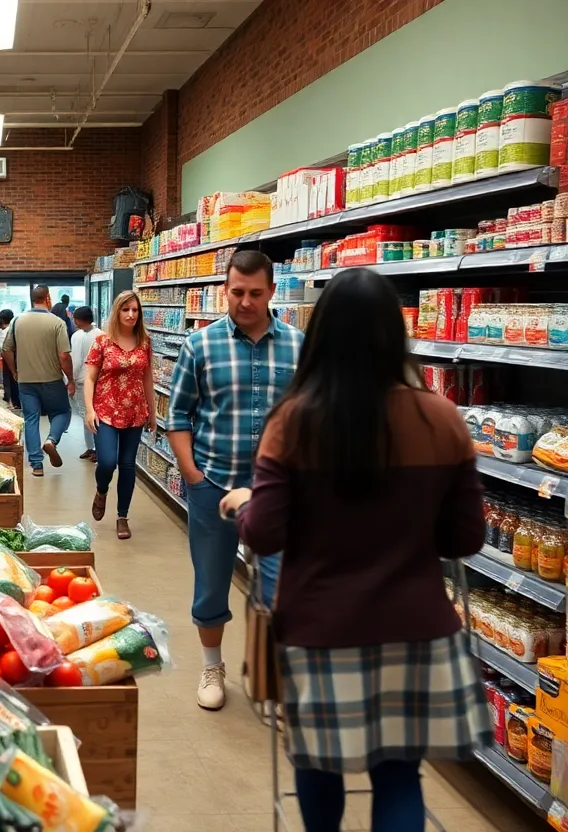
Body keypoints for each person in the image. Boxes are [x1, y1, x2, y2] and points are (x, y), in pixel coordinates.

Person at [221, 268, 489, 832]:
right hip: (416, 626)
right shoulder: (443, 419)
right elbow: (466, 539)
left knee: (318, 769)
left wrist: (244, 504)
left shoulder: (293, 422)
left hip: (321, 626)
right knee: (399, 776)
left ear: (320, 337)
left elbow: (266, 534)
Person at [164, 250, 303, 711]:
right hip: (215, 485)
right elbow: (178, 415)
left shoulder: (299, 347)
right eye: (237, 292)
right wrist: (193, 475)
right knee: (211, 583)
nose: (244, 302)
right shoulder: (199, 346)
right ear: (225, 290)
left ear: (272, 291)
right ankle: (212, 665)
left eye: (255, 293)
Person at [84, 292, 154, 539]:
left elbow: (147, 378)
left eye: (135, 310)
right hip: (106, 410)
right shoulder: (102, 342)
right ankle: (101, 490)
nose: (131, 314)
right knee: (107, 462)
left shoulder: (145, 341)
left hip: (135, 412)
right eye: (126, 310)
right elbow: (90, 378)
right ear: (117, 312)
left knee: (127, 466)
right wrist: (90, 410)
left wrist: (152, 413)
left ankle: (122, 517)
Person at [3, 286, 75, 476]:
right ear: (48, 298)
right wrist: (71, 379)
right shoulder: (57, 322)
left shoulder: (18, 321)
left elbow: (6, 349)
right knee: (62, 412)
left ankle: (36, 465)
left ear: (32, 299)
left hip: (25, 381)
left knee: (31, 419)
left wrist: (15, 371)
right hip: (52, 380)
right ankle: (51, 440)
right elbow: (64, 355)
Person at [69, 306, 102, 461]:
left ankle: (93, 448)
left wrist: (70, 380)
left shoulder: (76, 336)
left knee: (86, 415)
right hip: (100, 380)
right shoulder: (102, 335)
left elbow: (75, 361)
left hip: (82, 381)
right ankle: (94, 448)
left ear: (79, 320)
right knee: (97, 414)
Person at [0, 309, 20, 409]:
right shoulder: (15, 330)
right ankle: (16, 403)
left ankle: (10, 403)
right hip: (17, 360)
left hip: (6, 361)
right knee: (15, 383)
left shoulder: (0, 334)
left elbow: (2, 350)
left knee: (8, 383)